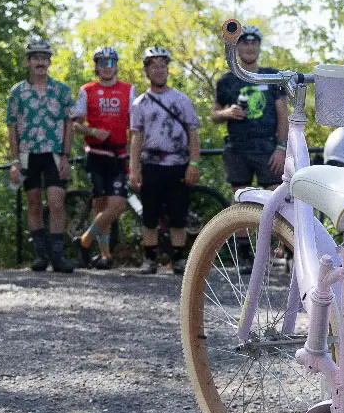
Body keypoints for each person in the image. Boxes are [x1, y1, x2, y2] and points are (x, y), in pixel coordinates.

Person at [129, 46, 201, 275]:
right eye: (153, 66)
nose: (159, 71)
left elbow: (193, 134)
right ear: (146, 72)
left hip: (178, 164)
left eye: (163, 66)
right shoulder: (140, 103)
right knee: (149, 213)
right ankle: (149, 258)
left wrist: (194, 163)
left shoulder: (181, 100)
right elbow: (136, 138)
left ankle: (178, 259)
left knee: (178, 213)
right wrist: (134, 169)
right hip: (151, 164)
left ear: (168, 70)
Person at [6, 35, 75, 273]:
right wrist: (14, 161)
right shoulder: (17, 92)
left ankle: (58, 256)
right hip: (28, 154)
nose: (40, 62)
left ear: (50, 61)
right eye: (35, 57)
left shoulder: (62, 91)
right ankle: (39, 255)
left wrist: (66, 156)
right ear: (27, 62)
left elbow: (69, 124)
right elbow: (12, 127)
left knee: (56, 202)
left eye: (44, 57)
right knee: (33, 202)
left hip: (54, 154)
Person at [71, 45, 137, 269]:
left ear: (116, 66)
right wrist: (92, 131)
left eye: (111, 62)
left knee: (117, 205)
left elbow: (136, 125)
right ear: (96, 67)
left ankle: (84, 240)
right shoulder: (86, 90)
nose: (107, 67)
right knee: (100, 207)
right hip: (96, 155)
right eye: (102, 62)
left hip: (119, 154)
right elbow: (75, 125)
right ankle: (105, 255)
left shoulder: (128, 90)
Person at [212, 25, 287, 191]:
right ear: (237, 46)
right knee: (241, 204)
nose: (250, 47)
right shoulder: (226, 80)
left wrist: (281, 148)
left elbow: (283, 117)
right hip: (237, 148)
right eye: (245, 43)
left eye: (254, 43)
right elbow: (214, 115)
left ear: (259, 46)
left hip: (268, 148)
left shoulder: (272, 76)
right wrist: (227, 112)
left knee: (274, 202)